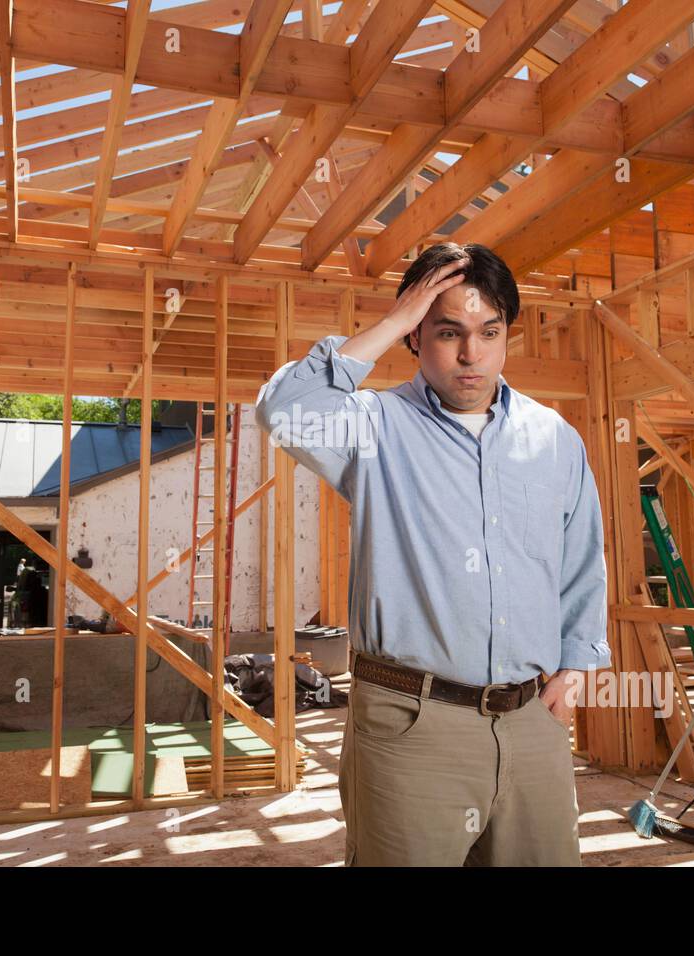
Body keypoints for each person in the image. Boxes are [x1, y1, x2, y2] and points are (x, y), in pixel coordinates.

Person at [254, 241, 609, 866]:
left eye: (488, 331)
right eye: (448, 332)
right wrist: (392, 318)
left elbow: (582, 562)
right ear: (417, 338)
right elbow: (283, 410)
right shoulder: (373, 427)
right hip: (411, 727)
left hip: (531, 724)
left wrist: (575, 667)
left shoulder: (554, 438)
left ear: (506, 336)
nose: (471, 354)